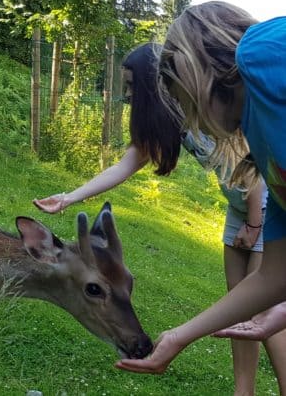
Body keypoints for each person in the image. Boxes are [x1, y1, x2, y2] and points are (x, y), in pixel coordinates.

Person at [34, 43, 286, 393]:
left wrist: (255, 223)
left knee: (263, 312)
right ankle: (243, 391)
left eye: (132, 86)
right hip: (238, 210)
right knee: (239, 312)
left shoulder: (209, 106)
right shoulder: (173, 119)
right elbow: (123, 167)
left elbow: (252, 163)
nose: (127, 95)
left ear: (156, 82)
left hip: (266, 207)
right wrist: (68, 198)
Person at [115, 2, 286, 379]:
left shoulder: (260, 52)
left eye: (180, 98)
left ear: (189, 69)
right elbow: (275, 276)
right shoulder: (265, 154)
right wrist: (178, 337)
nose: (188, 117)